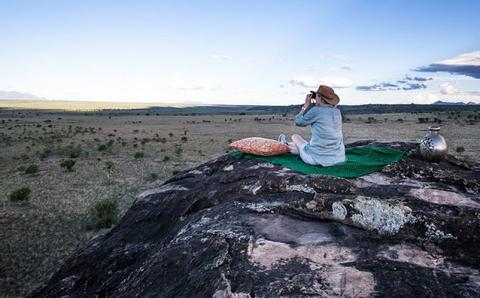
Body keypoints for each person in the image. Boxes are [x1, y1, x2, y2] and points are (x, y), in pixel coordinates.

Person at [279, 85, 346, 166]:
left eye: (316, 96)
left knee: (295, 137)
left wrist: (305, 106)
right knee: (304, 145)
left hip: (316, 159)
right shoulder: (337, 112)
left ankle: (283, 145)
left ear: (319, 97)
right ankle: (287, 145)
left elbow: (298, 121)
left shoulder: (316, 110)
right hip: (339, 158)